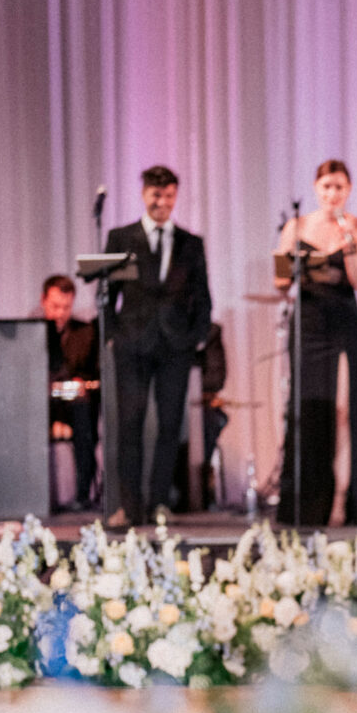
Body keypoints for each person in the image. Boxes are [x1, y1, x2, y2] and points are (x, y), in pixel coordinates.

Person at [104, 166, 213, 526]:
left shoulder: (190, 243)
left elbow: (203, 297)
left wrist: (194, 337)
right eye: (155, 193)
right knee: (129, 425)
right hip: (132, 344)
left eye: (168, 195)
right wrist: (110, 335)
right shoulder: (121, 237)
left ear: (175, 197)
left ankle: (158, 503)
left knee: (170, 425)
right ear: (143, 194)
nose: (161, 201)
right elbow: (107, 295)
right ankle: (129, 507)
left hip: (174, 345)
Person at [275, 160, 357, 527]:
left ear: (348, 190)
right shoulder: (296, 226)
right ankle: (306, 502)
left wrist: (348, 243)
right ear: (316, 188)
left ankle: (345, 500)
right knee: (309, 409)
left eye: (339, 187)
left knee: (345, 410)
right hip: (309, 322)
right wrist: (295, 264)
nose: (333, 194)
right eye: (327, 187)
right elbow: (281, 283)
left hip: (343, 320)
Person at [39, 273, 99, 508]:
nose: (60, 313)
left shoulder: (85, 332)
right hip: (40, 405)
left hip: (75, 403)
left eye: (66, 307)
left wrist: (78, 383)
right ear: (43, 300)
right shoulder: (31, 332)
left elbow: (93, 374)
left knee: (84, 415)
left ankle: (82, 494)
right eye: (55, 306)